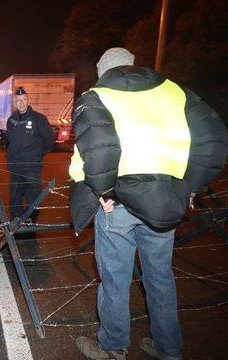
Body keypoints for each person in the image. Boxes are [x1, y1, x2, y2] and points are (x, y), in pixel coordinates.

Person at [70, 47, 228, 360]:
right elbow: (213, 138)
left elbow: (98, 144)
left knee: (115, 278)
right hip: (165, 201)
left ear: (104, 71)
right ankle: (169, 348)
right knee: (160, 276)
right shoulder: (173, 90)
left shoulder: (98, 94)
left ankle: (113, 345)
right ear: (132, 65)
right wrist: (190, 186)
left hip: (119, 202)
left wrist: (104, 191)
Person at [4, 87, 54, 222]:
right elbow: (8, 141)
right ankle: (15, 224)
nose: (21, 103)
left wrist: (37, 155)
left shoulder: (39, 119)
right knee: (15, 197)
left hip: (32, 167)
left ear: (28, 100)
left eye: (24, 100)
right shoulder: (11, 120)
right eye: (18, 100)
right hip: (15, 167)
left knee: (33, 198)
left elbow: (49, 140)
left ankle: (31, 225)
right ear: (14, 102)